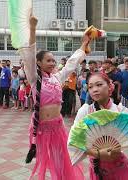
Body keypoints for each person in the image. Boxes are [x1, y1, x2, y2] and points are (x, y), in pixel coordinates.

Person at [19, 14, 86, 179]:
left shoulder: (57, 77)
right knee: (42, 160)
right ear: (39, 63)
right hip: (41, 128)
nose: (52, 63)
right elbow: (29, 55)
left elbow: (71, 63)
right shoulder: (35, 78)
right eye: (48, 60)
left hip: (57, 126)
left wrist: (84, 44)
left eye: (53, 61)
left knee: (60, 159)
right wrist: (33, 28)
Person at [70, 72, 128, 180]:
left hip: (120, 167)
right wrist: (98, 153)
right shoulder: (85, 111)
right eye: (90, 87)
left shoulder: (120, 111)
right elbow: (74, 141)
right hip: (96, 167)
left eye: (99, 85)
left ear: (110, 87)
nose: (94, 89)